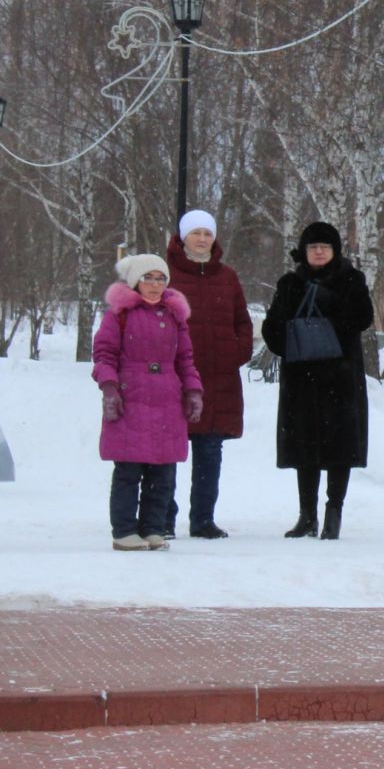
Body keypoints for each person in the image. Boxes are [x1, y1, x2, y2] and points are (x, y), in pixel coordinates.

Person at [260, 221, 373, 539]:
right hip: (302, 381)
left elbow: (363, 318)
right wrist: (287, 337)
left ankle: (333, 513)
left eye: (325, 246)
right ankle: (307, 515)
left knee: (340, 449)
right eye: (313, 247)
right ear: (304, 251)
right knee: (304, 448)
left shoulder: (352, 280)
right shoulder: (290, 283)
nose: (319, 251)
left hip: (340, 380)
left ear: (335, 250)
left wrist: (329, 302)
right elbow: (272, 327)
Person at [92, 254, 204, 551]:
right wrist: (110, 388)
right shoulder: (120, 314)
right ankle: (125, 530)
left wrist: (193, 390)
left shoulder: (174, 315)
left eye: (160, 278)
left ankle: (153, 527)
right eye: (148, 278)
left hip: (168, 399)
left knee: (163, 470)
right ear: (135, 282)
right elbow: (104, 354)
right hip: (132, 398)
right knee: (129, 469)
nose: (155, 284)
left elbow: (186, 359)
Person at [165, 209, 253, 538]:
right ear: (183, 236)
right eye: (196, 232)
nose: (202, 239)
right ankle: (163, 517)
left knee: (209, 450)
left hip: (218, 378)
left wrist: (236, 352)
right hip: (176, 378)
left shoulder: (227, 276)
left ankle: (203, 519)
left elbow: (242, 322)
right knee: (169, 450)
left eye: (208, 233)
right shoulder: (165, 273)